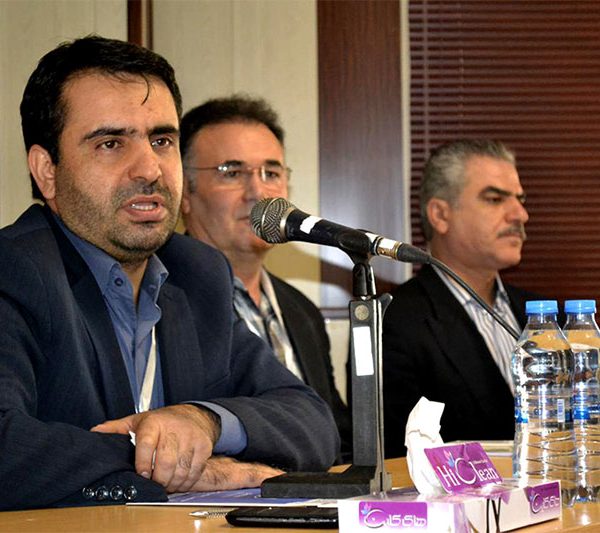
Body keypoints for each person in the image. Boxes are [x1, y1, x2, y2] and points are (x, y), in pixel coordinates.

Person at [0, 36, 339, 511]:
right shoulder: (14, 271)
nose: (150, 169)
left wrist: (204, 422)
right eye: (111, 143)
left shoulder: (195, 272)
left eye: (162, 141)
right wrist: (187, 467)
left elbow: (312, 422)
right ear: (47, 170)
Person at [179, 95, 351, 461]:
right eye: (232, 172)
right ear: (184, 193)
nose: (258, 193)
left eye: (271, 174)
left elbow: (337, 435)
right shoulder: (161, 300)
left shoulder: (301, 311)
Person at [382, 139, 538, 457]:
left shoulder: (545, 317)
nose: (520, 214)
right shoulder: (395, 320)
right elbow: (399, 452)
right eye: (495, 199)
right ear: (440, 215)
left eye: (520, 200)